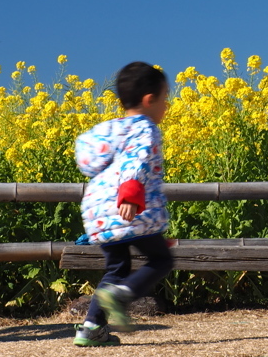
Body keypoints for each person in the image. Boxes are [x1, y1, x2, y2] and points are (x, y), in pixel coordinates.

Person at [72, 61, 174, 347]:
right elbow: (137, 159)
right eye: (164, 99)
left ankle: (91, 328)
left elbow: (88, 157)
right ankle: (121, 295)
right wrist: (130, 191)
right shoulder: (145, 128)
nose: (166, 106)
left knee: (116, 269)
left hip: (98, 214)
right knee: (161, 260)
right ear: (149, 100)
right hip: (130, 209)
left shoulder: (107, 130)